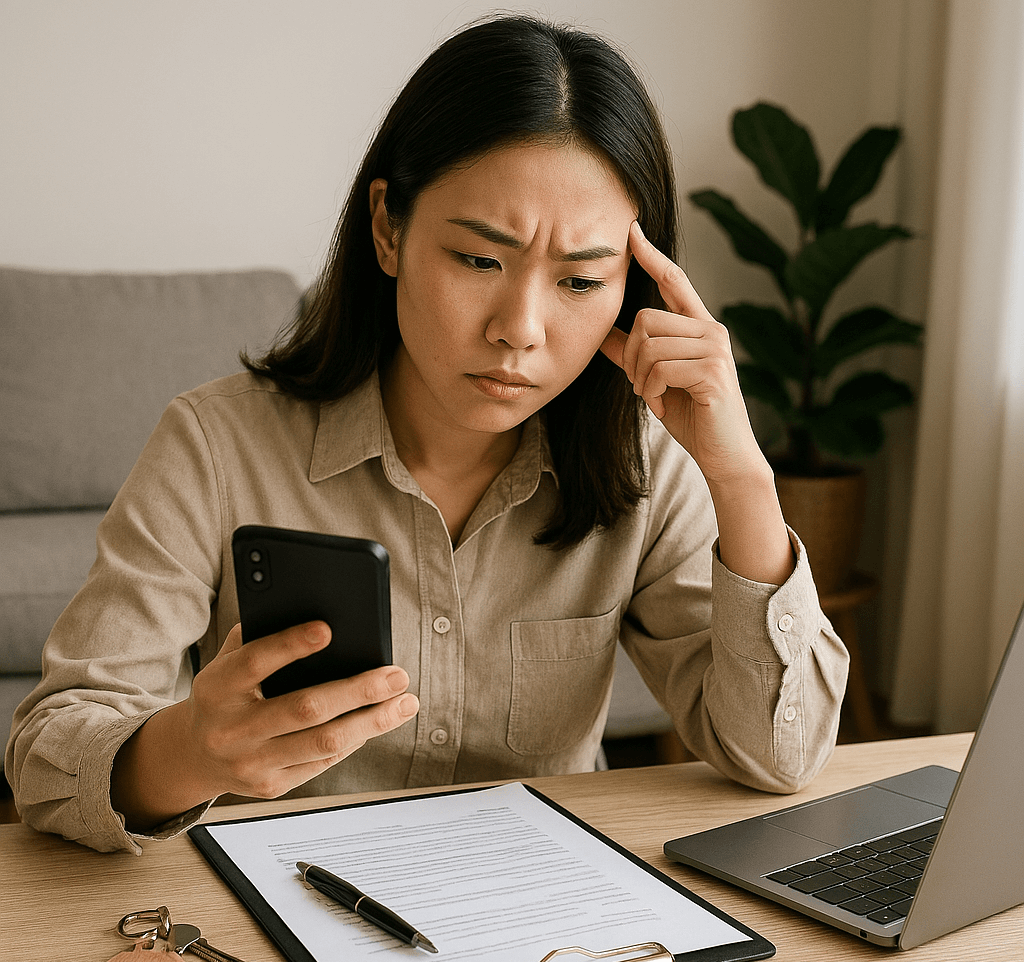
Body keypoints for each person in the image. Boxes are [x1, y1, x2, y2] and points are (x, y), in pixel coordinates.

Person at [6, 15, 848, 854]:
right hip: (279, 901)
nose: (520, 329)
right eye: (480, 261)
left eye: (581, 281)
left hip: (544, 907)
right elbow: (49, 758)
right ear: (389, 228)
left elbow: (780, 759)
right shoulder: (216, 445)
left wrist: (741, 476)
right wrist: (188, 752)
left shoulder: (645, 459)